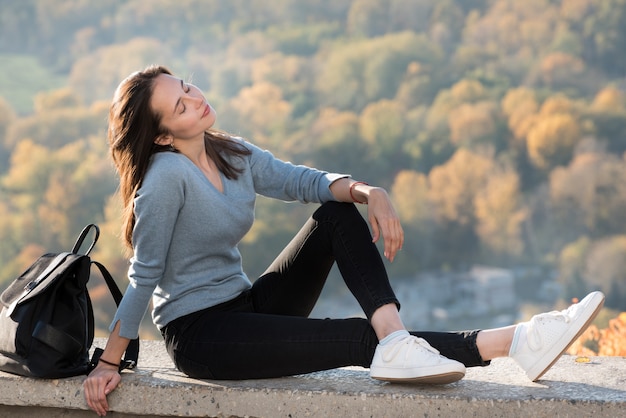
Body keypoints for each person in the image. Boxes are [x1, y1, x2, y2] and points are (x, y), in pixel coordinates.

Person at [83, 65, 605, 416]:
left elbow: (300, 180)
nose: (195, 100)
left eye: (188, 87)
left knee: (336, 211)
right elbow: (142, 279)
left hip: (246, 306)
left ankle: (403, 341)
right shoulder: (165, 178)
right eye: (179, 106)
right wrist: (110, 363)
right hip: (201, 335)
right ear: (160, 135)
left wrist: (366, 190)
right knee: (359, 340)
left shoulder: (228, 152)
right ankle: (514, 341)